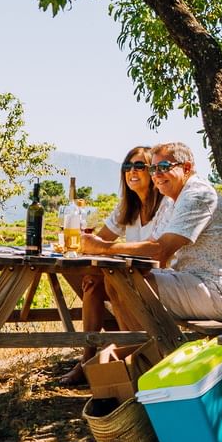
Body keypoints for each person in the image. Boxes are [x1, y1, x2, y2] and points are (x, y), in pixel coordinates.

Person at [85, 141, 222, 321]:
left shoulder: (197, 195)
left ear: (186, 168)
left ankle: (136, 348)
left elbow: (159, 252)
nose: (156, 174)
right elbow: (150, 248)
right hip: (192, 279)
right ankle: (132, 347)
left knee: (125, 283)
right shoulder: (172, 200)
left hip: (220, 291)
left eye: (163, 167)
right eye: (153, 169)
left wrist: (104, 248)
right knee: (109, 282)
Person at [57, 146, 172, 384]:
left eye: (139, 166)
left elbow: (159, 251)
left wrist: (99, 247)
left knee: (110, 281)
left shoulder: (166, 207)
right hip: (130, 276)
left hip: (162, 278)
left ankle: (128, 352)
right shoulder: (126, 207)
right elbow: (100, 240)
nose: (132, 171)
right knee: (92, 282)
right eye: (127, 166)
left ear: (152, 171)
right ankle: (87, 358)